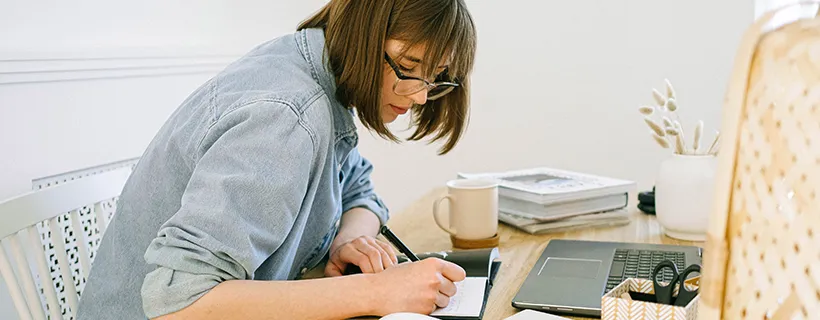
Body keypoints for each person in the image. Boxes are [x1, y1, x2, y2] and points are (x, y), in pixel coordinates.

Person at [76, 0, 477, 319]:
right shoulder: (288, 116)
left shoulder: (316, 70)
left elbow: (358, 187)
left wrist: (351, 240)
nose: (422, 96)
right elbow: (179, 303)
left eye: (435, 77)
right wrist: (377, 291)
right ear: (364, 32)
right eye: (408, 68)